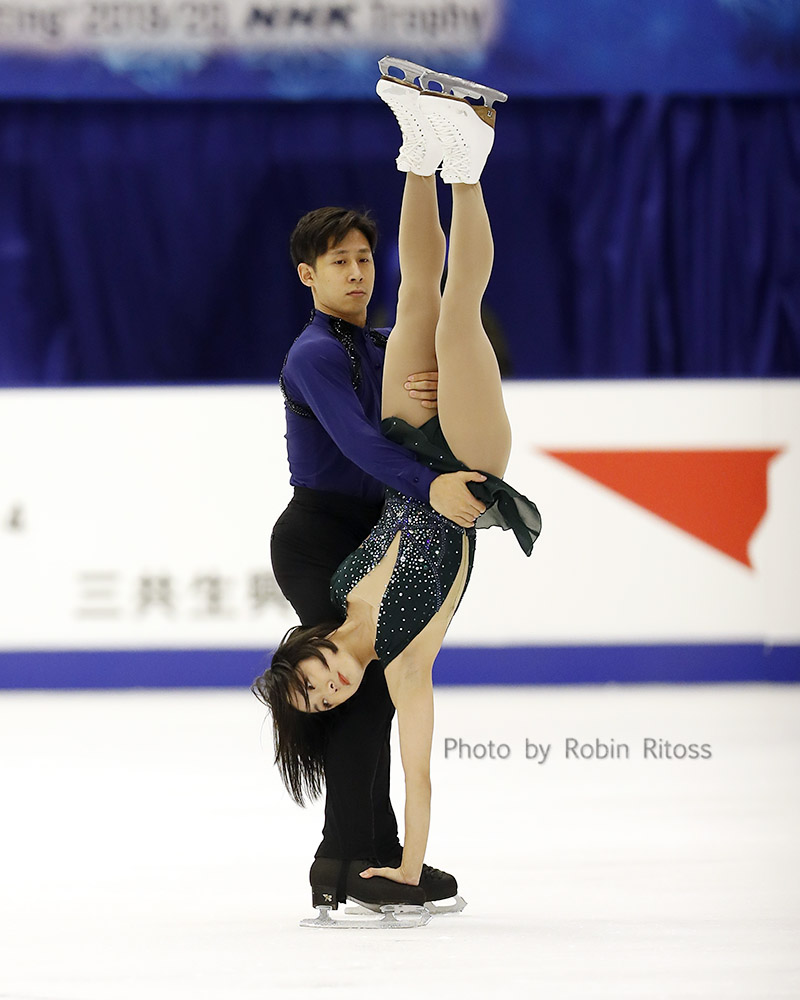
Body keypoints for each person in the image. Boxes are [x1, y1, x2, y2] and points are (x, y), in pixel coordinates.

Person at [255, 59, 541, 896]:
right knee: (455, 310)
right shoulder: (312, 354)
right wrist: (410, 869)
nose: (354, 272)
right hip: (434, 482)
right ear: (307, 275)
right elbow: (355, 442)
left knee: (420, 297)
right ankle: (470, 165)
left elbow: (383, 435)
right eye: (337, 262)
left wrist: (417, 409)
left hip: (406, 469)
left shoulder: (349, 589)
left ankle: (422, 151)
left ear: (308, 646)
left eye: (359, 258)